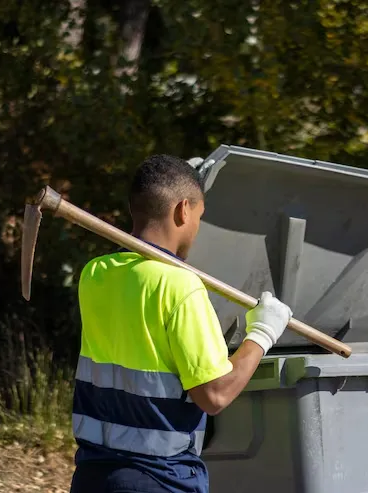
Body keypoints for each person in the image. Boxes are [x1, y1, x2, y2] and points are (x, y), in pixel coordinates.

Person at [68, 154, 293, 493]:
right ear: (183, 210)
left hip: (93, 476)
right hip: (159, 479)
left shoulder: (95, 274)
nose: (197, 229)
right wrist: (262, 333)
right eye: (198, 217)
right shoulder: (180, 287)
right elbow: (214, 395)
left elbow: (135, 279)